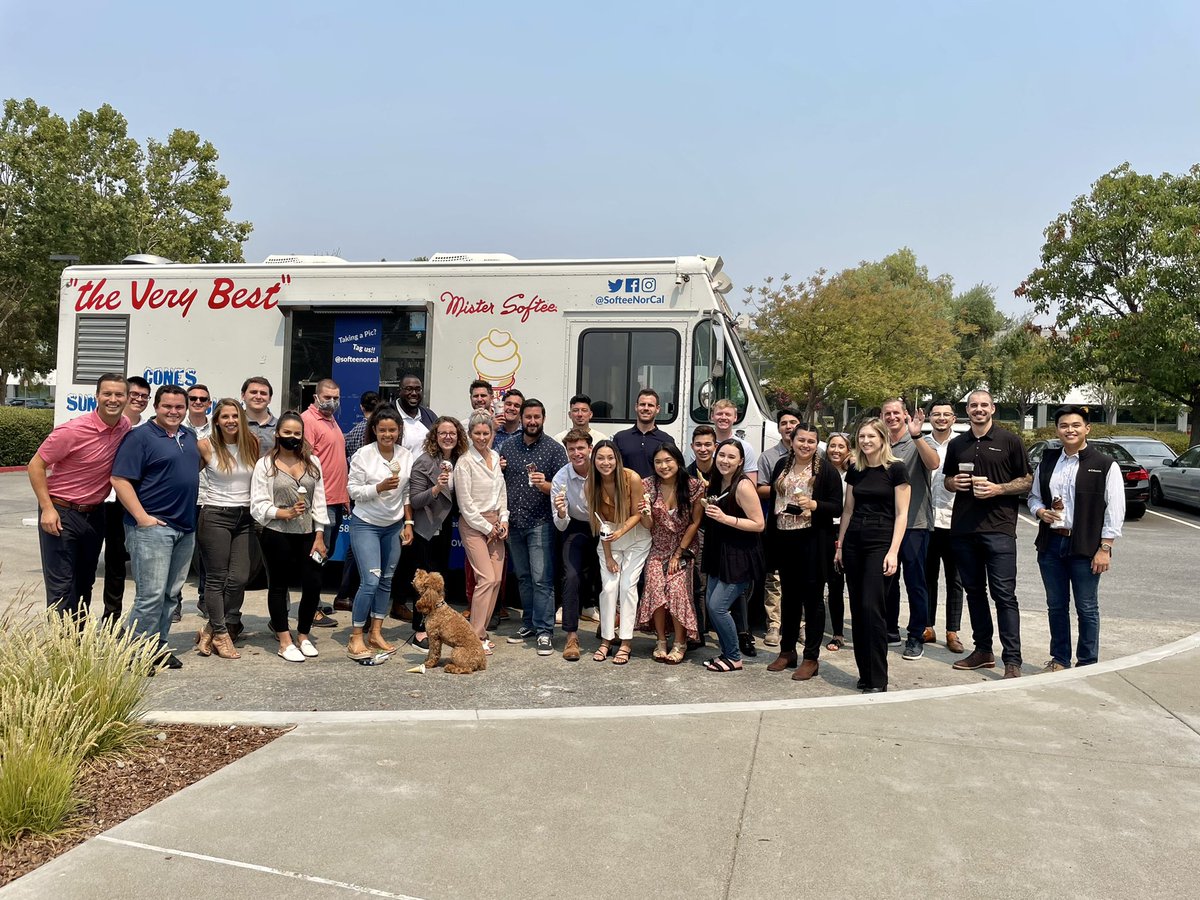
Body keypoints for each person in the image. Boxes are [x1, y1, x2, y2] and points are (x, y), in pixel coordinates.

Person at [110, 384, 202, 669]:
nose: (174, 411)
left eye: (179, 407)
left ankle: (157, 647)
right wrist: (142, 518)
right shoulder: (139, 437)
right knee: (150, 596)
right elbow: (119, 480)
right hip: (152, 529)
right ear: (156, 407)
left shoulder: (189, 436)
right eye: (167, 406)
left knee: (170, 595)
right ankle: (135, 653)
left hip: (185, 527)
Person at [944, 389, 1032, 679]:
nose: (978, 409)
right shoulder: (958, 444)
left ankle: (1013, 660)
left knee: (1004, 595)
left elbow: (1027, 481)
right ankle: (983, 651)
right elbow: (947, 479)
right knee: (974, 592)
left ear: (993, 408)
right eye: (973, 405)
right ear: (967, 410)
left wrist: (999, 489)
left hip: (999, 529)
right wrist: (953, 483)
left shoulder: (1010, 441)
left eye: (984, 405)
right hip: (964, 529)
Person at [1028, 405, 1123, 671]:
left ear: (1087, 429)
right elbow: (1034, 496)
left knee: (1087, 607)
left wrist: (1105, 547)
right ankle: (1059, 659)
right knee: (1056, 606)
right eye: (1064, 426)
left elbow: (1115, 510)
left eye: (1075, 425)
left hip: (1086, 546)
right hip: (1051, 544)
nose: (1069, 430)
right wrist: (1040, 511)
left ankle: (1087, 663)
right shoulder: (1048, 461)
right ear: (1057, 430)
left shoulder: (1104, 465)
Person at [28, 373, 131, 619]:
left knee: (85, 583)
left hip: (95, 514)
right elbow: (36, 466)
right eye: (107, 394)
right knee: (62, 587)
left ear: (127, 398)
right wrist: (47, 508)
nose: (113, 399)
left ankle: (79, 637)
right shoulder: (72, 431)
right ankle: (61, 641)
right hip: (61, 511)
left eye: (119, 394)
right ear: (97, 396)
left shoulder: (124, 426)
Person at [834, 418, 910, 693]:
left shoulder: (897, 469)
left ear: (882, 439)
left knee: (872, 609)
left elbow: (902, 514)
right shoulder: (856, 469)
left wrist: (893, 551)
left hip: (881, 542)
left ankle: (878, 678)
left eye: (871, 436)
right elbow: (848, 510)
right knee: (857, 609)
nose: (865, 441)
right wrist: (840, 546)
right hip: (854, 541)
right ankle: (864, 674)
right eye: (862, 436)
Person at [765, 422, 843, 681]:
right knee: (789, 598)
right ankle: (787, 651)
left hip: (812, 541)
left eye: (811, 441)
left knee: (812, 600)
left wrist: (814, 504)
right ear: (792, 440)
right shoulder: (782, 465)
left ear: (816, 444)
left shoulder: (826, 471)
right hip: (784, 538)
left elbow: (837, 507)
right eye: (801, 440)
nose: (805, 445)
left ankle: (811, 657)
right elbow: (774, 502)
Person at [250, 412, 328, 662]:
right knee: (278, 585)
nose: (292, 437)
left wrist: (319, 533)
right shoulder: (265, 464)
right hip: (277, 533)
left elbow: (320, 500)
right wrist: (282, 513)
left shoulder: (313, 462)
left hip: (308, 533)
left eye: (297, 433)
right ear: (277, 434)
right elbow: (257, 504)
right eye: (287, 433)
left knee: (313, 584)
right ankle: (284, 640)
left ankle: (303, 635)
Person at [500, 398, 567, 656]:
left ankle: (544, 631)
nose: (532, 421)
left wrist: (545, 485)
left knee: (542, 579)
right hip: (514, 522)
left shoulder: (554, 449)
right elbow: (498, 480)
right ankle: (528, 623)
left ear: (543, 419)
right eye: (528, 417)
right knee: (524, 577)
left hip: (541, 523)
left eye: (536, 417)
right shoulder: (509, 446)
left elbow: (562, 490)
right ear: (521, 418)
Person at [346, 407, 414, 660]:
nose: (388, 434)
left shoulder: (406, 455)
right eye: (382, 429)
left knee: (386, 580)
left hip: (394, 526)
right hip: (366, 524)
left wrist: (408, 522)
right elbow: (353, 491)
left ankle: (375, 633)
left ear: (399, 430)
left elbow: (406, 492)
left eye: (392, 430)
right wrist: (379, 487)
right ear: (374, 430)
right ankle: (356, 636)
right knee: (371, 581)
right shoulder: (363, 455)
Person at [194, 399, 258, 659]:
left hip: (245, 516)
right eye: (225, 417)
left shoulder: (252, 443)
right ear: (217, 421)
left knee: (240, 578)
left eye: (235, 416)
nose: (231, 421)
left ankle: (211, 627)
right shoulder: (205, 445)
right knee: (216, 578)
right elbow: (186, 476)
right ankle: (221, 633)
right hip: (215, 515)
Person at [880, 398, 940, 660]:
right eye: (887, 413)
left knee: (916, 582)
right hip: (886, 524)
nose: (892, 417)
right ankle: (890, 630)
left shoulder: (918, 441)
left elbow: (934, 463)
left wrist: (916, 436)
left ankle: (916, 635)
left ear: (905, 415)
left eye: (897, 412)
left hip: (915, 523)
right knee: (887, 579)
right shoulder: (880, 443)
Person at [700, 439, 766, 672]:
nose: (725, 461)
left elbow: (759, 524)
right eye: (721, 455)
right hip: (718, 552)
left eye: (731, 457)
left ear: (740, 462)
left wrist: (724, 518)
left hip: (739, 556)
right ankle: (726, 653)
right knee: (711, 606)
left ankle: (734, 657)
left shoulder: (743, 486)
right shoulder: (716, 482)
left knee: (718, 607)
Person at [586, 440, 652, 665]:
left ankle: (626, 641)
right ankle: (606, 639)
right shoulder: (591, 484)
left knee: (627, 587)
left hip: (635, 536)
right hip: (609, 538)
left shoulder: (631, 477)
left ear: (617, 459)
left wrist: (621, 531)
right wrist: (608, 556)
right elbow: (600, 524)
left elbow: (637, 514)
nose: (605, 463)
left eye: (610, 458)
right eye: (600, 458)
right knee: (608, 588)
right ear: (594, 460)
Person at [91, 374, 151, 622]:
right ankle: (103, 618)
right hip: (104, 502)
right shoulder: (111, 425)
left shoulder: (148, 429)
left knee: (125, 564)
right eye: (134, 394)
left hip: (134, 504)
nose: (138, 399)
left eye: (144, 396)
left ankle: (121, 618)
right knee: (101, 565)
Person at [638, 444, 703, 664]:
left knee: (676, 590)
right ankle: (661, 641)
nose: (663, 466)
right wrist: (645, 513)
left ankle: (680, 642)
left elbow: (695, 522)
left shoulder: (693, 486)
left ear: (677, 461)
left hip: (683, 547)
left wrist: (678, 553)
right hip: (658, 546)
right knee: (655, 588)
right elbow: (648, 524)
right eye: (658, 462)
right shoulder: (647, 485)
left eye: (668, 461)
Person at [409, 416, 467, 649]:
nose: (448, 437)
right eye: (443, 433)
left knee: (440, 579)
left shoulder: (459, 460)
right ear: (435, 436)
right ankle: (419, 630)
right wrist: (437, 488)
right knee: (425, 583)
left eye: (452, 433)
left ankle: (435, 626)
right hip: (426, 529)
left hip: (444, 528)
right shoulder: (424, 462)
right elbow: (415, 500)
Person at [456, 411, 509, 653]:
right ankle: (474, 637)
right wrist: (488, 528)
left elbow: (501, 492)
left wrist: (504, 520)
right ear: (470, 434)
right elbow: (466, 506)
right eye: (477, 433)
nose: (481, 437)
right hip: (474, 526)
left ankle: (482, 632)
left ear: (492, 433)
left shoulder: (495, 456)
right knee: (486, 578)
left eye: (486, 433)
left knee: (496, 580)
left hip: (496, 524)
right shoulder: (464, 463)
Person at [301, 378, 347, 629]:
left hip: (336, 499)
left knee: (324, 555)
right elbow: (305, 460)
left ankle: (315, 600)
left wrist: (344, 496)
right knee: (316, 556)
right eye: (327, 397)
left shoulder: (331, 420)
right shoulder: (308, 421)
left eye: (336, 398)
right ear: (316, 397)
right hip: (321, 501)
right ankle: (311, 609)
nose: (332, 402)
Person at [755, 408, 802, 648]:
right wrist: (784, 488)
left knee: (801, 577)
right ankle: (774, 624)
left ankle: (800, 625)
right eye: (784, 423)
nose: (788, 426)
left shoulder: (814, 454)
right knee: (774, 577)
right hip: (776, 524)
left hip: (804, 526)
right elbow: (759, 488)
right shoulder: (768, 457)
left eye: (793, 422)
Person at [552, 428, 598, 661]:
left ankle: (608, 630)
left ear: (590, 448)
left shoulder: (601, 469)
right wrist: (562, 512)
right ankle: (571, 636)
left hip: (602, 523)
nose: (577, 453)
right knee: (570, 576)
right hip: (574, 526)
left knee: (606, 576)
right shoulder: (560, 478)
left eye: (581, 448)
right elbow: (560, 525)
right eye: (572, 449)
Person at [333, 390, 381, 612]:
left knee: (356, 547)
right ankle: (351, 594)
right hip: (376, 496)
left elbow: (344, 463)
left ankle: (346, 593)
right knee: (362, 549)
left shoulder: (351, 433)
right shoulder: (377, 431)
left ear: (361, 407)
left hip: (357, 496)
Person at [924, 401, 964, 653]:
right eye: (936, 414)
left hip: (955, 521)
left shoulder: (963, 443)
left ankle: (952, 631)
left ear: (953, 418)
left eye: (946, 414)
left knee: (955, 580)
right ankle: (927, 626)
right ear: (929, 417)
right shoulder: (921, 443)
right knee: (928, 577)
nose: (941, 418)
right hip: (927, 521)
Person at [686, 425, 718, 647]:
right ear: (692, 447)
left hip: (724, 531)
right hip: (698, 532)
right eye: (699, 445)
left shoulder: (723, 469)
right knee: (699, 583)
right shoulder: (686, 473)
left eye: (708, 444)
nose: (703, 449)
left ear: (715, 446)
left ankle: (740, 633)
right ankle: (699, 630)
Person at [823, 433, 851, 651]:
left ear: (848, 450)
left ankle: (840, 633)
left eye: (841, 446)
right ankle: (835, 632)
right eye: (832, 446)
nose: (836, 450)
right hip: (825, 529)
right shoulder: (821, 471)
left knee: (842, 584)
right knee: (831, 583)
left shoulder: (854, 472)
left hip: (848, 530)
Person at [613, 388, 675, 478]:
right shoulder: (620, 438)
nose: (646, 408)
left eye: (650, 405)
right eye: (642, 404)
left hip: (656, 487)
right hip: (626, 487)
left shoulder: (667, 440)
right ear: (636, 407)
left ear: (657, 409)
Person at [710, 398, 759, 475]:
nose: (723, 417)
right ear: (712, 416)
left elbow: (751, 480)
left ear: (735, 418)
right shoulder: (703, 447)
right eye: (719, 414)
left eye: (728, 414)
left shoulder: (746, 448)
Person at [396, 374, 438, 455]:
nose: (414, 393)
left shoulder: (430, 416)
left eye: (418, 389)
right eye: (409, 389)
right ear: (399, 391)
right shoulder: (387, 414)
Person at [241, 376, 278, 457]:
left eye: (263, 393)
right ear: (243, 396)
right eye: (253, 392)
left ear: (270, 399)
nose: (258, 397)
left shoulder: (280, 426)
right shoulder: (236, 424)